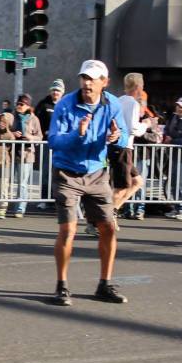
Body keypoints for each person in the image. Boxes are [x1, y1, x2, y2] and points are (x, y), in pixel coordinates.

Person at [47, 60, 128, 307]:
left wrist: (116, 136)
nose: (87, 83)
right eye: (84, 77)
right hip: (67, 174)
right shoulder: (65, 104)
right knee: (68, 230)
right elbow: (53, 141)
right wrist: (78, 134)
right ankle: (62, 286)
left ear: (105, 82)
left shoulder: (112, 104)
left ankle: (105, 284)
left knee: (108, 228)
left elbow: (123, 135)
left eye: (93, 78)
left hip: (96, 173)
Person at [110, 73, 148, 223]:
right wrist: (147, 124)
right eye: (142, 85)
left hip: (120, 146)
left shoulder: (118, 101)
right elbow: (133, 128)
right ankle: (100, 220)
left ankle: (112, 211)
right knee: (121, 187)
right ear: (138, 87)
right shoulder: (133, 104)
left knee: (138, 182)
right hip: (124, 147)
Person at [8, 93, 43, 218]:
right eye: (17, 103)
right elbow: (5, 131)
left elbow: (40, 137)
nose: (19, 106)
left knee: (22, 182)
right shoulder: (12, 117)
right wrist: (13, 134)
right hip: (12, 152)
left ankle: (20, 208)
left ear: (28, 105)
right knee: (11, 181)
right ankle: (11, 204)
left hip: (27, 154)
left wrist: (30, 137)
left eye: (21, 104)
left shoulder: (33, 119)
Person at [34, 79, 65, 204]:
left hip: (62, 144)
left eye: (58, 90)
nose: (55, 92)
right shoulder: (44, 104)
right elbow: (35, 121)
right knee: (46, 171)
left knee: (60, 171)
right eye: (54, 90)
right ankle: (44, 199)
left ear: (62, 92)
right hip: (47, 143)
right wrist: (42, 132)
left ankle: (56, 199)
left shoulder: (65, 104)